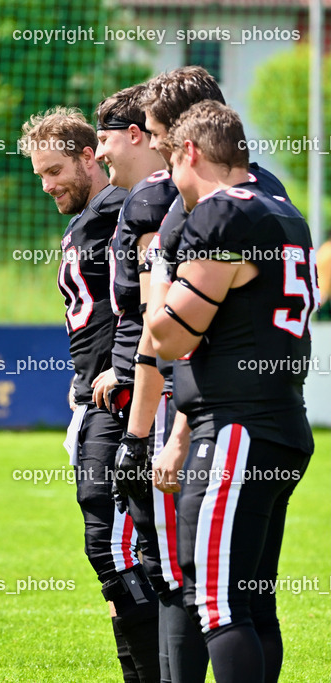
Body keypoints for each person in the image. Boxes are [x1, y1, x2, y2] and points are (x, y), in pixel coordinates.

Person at [147, 100, 315, 683]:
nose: (171, 178)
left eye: (172, 160)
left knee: (218, 604)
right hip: (281, 422)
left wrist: (158, 269)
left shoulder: (222, 212)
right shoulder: (285, 212)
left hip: (235, 432)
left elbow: (168, 335)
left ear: (191, 152)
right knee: (252, 602)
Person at [20, 108, 160, 682]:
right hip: (93, 395)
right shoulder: (90, 216)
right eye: (40, 175)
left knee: (116, 549)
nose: (48, 185)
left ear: (88, 157)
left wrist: (120, 369)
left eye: (55, 171)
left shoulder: (123, 207)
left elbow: (143, 300)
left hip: (118, 397)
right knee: (116, 552)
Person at [94, 85, 210, 682]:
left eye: (158, 132)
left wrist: (138, 436)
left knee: (169, 568)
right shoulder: (264, 193)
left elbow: (155, 329)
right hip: (242, 402)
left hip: (174, 396)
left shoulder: (161, 201)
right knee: (228, 579)